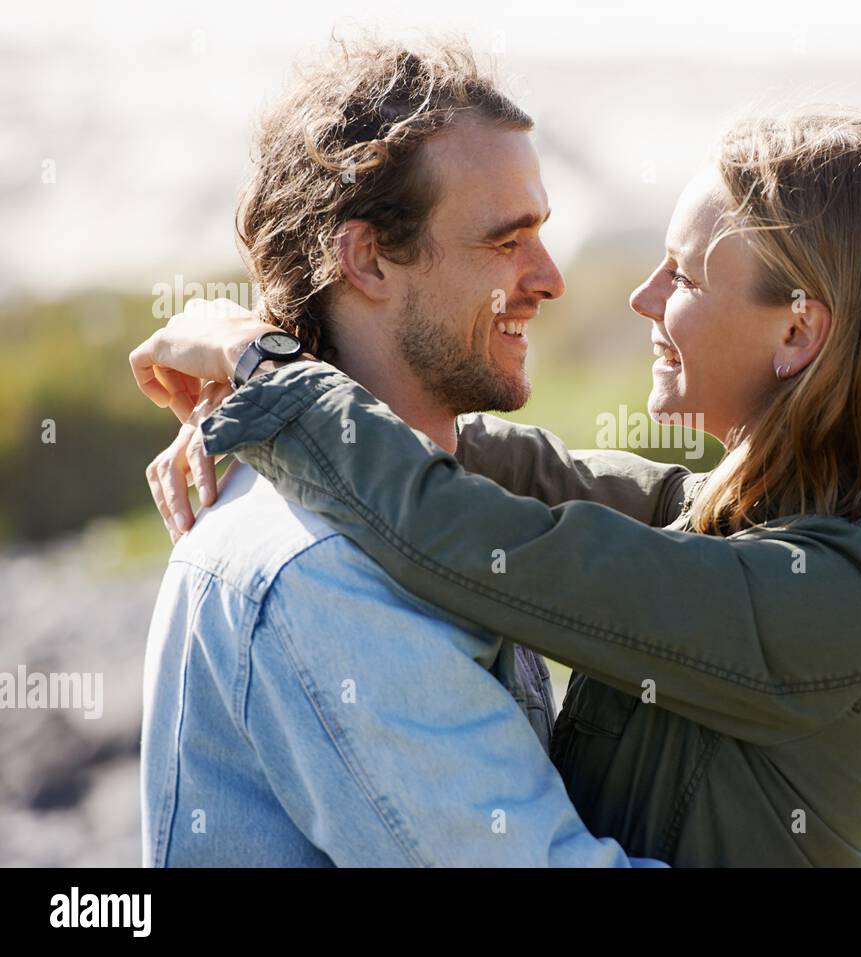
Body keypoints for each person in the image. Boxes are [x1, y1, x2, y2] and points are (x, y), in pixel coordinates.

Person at [136, 88, 861, 867]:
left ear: (798, 332)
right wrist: (272, 402)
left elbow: (486, 539)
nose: (641, 298)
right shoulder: (750, 522)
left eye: (685, 275)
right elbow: (527, 471)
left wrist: (270, 375)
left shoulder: (835, 597)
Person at [133, 35, 664, 867]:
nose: (551, 276)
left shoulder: (417, 498)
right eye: (506, 240)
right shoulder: (324, 571)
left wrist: (255, 366)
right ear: (369, 258)